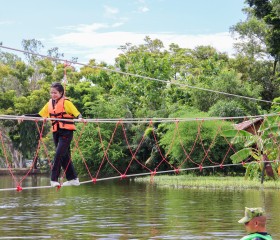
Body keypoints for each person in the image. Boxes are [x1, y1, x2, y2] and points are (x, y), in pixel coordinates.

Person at [25, 82, 82, 187]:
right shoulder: (50, 103)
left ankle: (54, 179)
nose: (53, 95)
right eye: (51, 93)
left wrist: (80, 118)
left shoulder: (66, 103)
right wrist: (25, 116)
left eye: (55, 93)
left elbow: (77, 113)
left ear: (61, 92)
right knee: (65, 156)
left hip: (66, 132)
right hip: (56, 132)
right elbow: (39, 115)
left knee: (58, 155)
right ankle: (73, 178)